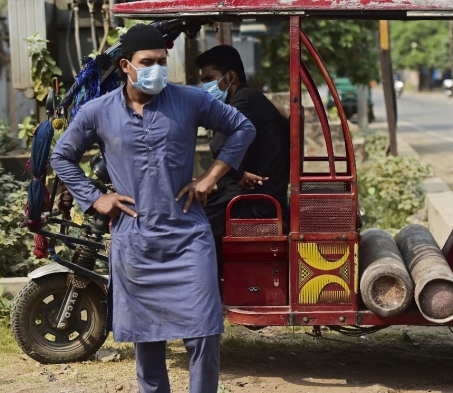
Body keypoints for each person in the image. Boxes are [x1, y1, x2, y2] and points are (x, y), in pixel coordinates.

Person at [50, 24, 256, 393]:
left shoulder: (190, 100)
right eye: (148, 62)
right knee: (148, 340)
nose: (157, 69)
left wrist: (211, 176)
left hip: (188, 237)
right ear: (126, 65)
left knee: (204, 334)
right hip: (136, 241)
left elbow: (242, 127)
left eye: (163, 61)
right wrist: (96, 198)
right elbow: (62, 155)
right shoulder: (98, 111)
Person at [195, 45, 290, 272]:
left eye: (210, 79)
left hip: (256, 202)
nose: (206, 86)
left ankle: (203, 289)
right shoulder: (250, 99)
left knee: (191, 226)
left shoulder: (245, 100)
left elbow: (218, 145)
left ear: (231, 76)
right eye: (203, 81)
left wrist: (237, 175)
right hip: (252, 195)